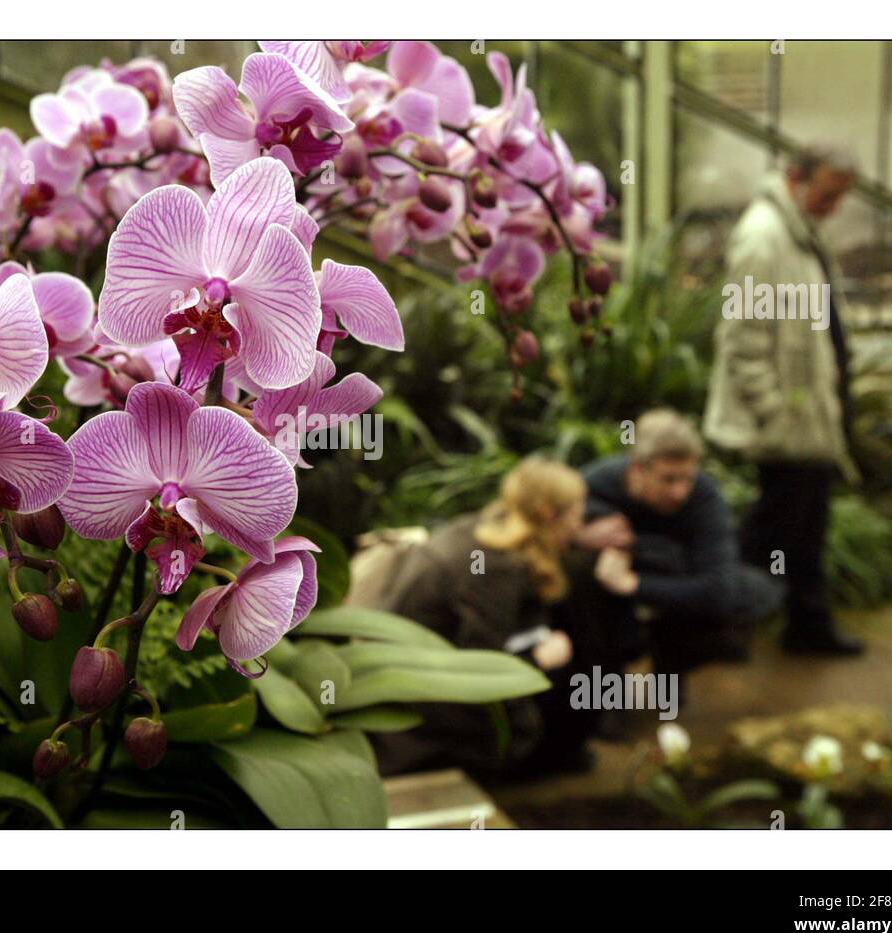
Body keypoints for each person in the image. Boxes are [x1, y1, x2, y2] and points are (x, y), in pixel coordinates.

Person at [367, 457, 636, 778]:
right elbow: (480, 664)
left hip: (409, 671)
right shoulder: (495, 568)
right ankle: (536, 761)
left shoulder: (484, 528)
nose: (580, 525)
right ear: (550, 515)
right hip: (425, 708)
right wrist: (537, 659)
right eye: (577, 514)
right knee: (578, 669)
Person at [704, 143, 864, 655]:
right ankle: (724, 626)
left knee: (806, 522)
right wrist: (774, 410)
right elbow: (741, 338)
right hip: (787, 416)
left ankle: (806, 625)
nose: (833, 206)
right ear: (796, 177)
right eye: (827, 194)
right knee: (773, 526)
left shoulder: (799, 233)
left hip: (808, 408)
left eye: (840, 198)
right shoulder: (763, 238)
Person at [577, 410, 782, 675]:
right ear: (638, 468)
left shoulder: (704, 496)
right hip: (606, 603)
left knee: (751, 593)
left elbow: (719, 588)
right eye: (668, 479)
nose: (680, 492)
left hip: (665, 583)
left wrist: (632, 584)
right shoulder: (592, 485)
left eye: (687, 478)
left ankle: (670, 669)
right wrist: (580, 535)